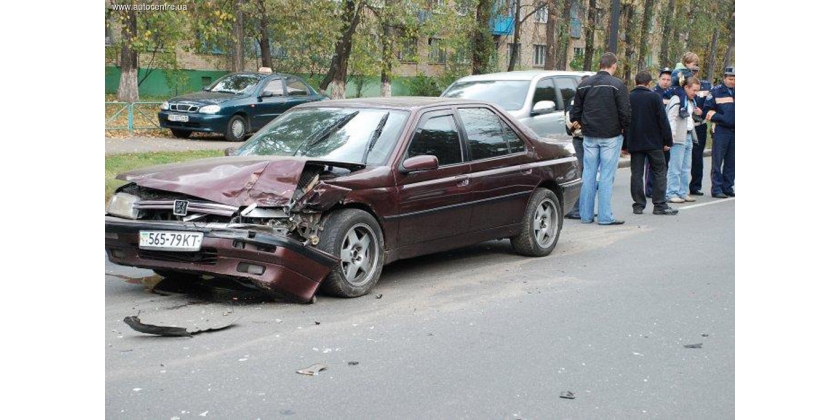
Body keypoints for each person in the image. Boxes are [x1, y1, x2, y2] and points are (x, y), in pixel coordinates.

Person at [569, 52, 631, 225]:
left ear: (600, 64)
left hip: (589, 135)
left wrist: (582, 124)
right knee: (606, 176)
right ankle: (605, 216)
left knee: (588, 174)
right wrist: (624, 129)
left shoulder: (584, 84)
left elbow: (575, 112)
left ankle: (586, 215)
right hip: (611, 135)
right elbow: (625, 112)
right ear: (614, 65)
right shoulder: (617, 85)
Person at [626, 71, 678, 216]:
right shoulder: (654, 97)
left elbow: (625, 121)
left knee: (636, 174)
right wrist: (668, 141)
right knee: (660, 171)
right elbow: (663, 120)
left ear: (636, 82)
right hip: (654, 142)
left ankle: (638, 205)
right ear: (649, 83)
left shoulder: (629, 97)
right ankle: (659, 205)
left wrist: (625, 144)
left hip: (636, 142)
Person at [665, 77, 701, 203]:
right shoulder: (677, 98)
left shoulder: (690, 101)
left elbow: (689, 118)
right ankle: (671, 193)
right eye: (694, 90)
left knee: (686, 167)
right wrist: (672, 135)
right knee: (675, 166)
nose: (695, 93)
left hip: (689, 135)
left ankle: (683, 192)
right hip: (678, 137)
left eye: (697, 91)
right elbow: (671, 117)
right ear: (686, 87)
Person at [704, 66, 735, 198]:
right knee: (717, 161)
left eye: (734, 79)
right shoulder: (716, 92)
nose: (732, 81)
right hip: (721, 130)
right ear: (724, 78)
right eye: (730, 79)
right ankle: (716, 189)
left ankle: (727, 187)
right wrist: (722, 119)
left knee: (732, 161)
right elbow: (707, 111)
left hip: (735, 131)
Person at [646, 67, 674, 198]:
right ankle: (650, 189)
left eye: (669, 79)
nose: (666, 82)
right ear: (659, 79)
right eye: (663, 79)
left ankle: (660, 189)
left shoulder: (673, 94)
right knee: (652, 163)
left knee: (664, 163)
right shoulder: (653, 93)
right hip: (654, 133)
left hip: (667, 132)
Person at [689, 65, 713, 196]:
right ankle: (678, 187)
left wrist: (703, 112)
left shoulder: (706, 86)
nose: (693, 73)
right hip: (686, 125)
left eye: (696, 70)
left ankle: (695, 186)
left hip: (700, 125)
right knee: (682, 158)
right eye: (691, 70)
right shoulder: (682, 84)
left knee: (697, 157)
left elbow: (712, 105)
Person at [670, 52, 700, 119]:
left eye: (696, 65)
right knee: (682, 94)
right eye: (694, 64)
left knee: (694, 94)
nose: (695, 66)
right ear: (687, 63)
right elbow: (673, 80)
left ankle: (694, 111)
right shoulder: (678, 70)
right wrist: (679, 76)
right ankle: (682, 109)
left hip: (683, 87)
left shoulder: (689, 71)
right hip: (675, 87)